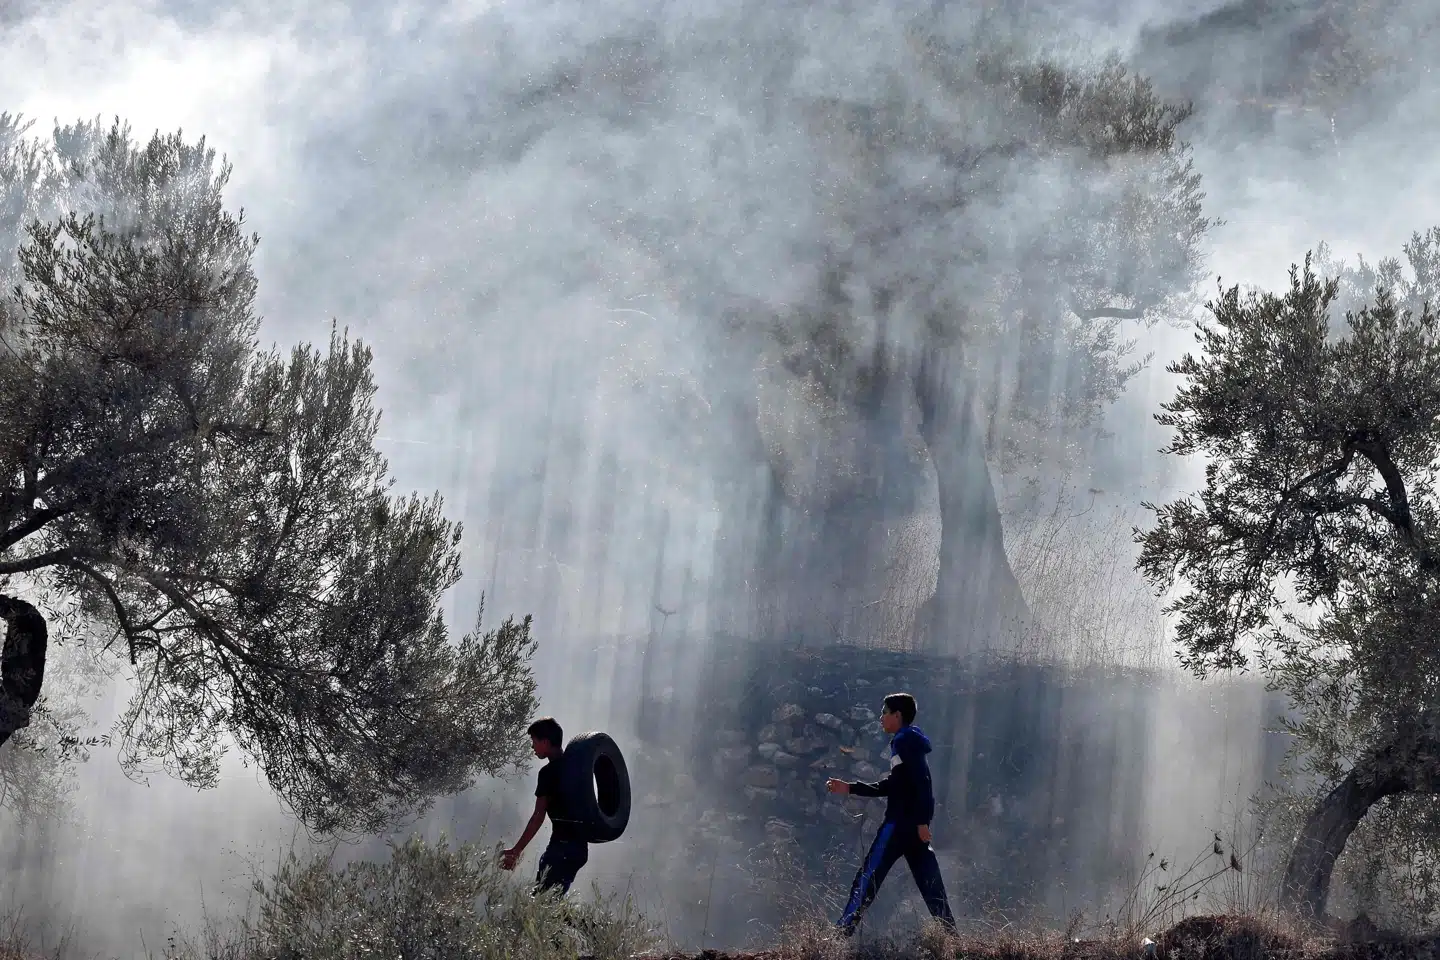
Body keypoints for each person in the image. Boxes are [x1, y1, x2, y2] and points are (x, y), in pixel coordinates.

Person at [825, 692, 957, 938]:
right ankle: (954, 942)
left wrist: (922, 821)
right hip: (913, 828)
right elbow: (895, 785)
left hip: (898, 826)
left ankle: (838, 937)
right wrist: (851, 788)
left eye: (885, 712)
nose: (881, 717)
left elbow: (923, 781)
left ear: (898, 715)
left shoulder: (904, 740)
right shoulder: (908, 741)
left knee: (865, 881)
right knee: (932, 888)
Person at [501, 717, 589, 895]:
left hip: (561, 848)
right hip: (580, 849)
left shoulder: (548, 773)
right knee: (549, 903)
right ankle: (582, 924)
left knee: (541, 904)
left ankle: (585, 925)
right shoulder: (579, 766)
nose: (532, 747)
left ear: (546, 742)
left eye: (534, 742)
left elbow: (538, 816)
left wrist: (516, 850)